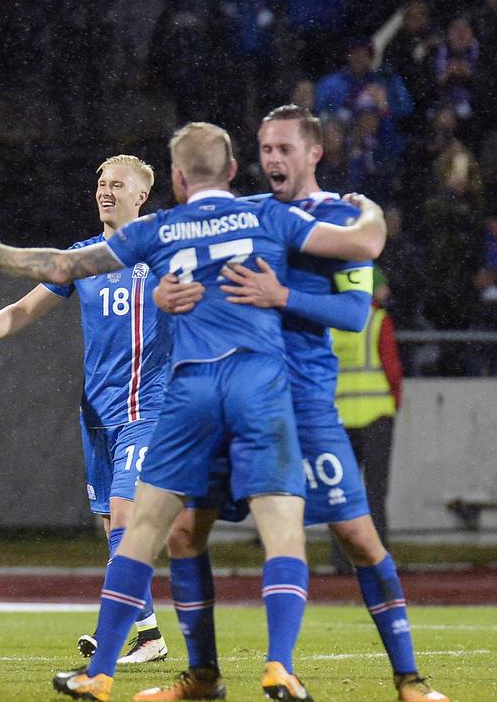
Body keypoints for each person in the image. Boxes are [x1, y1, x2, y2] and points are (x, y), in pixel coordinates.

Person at [0, 121, 387, 702]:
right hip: (256, 387)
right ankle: (280, 665)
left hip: (184, 398)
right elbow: (362, 248)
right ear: (236, 172)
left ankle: (115, 671)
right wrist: (371, 213)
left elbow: (60, 267)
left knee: (149, 531)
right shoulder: (264, 214)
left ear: (177, 179)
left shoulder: (162, 230)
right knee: (282, 531)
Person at [148, 106, 446, 702]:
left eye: (285, 148)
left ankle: (409, 679)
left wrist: (281, 294)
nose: (273, 159)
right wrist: (164, 294)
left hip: (304, 405)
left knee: (358, 538)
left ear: (314, 153)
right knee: (184, 533)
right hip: (238, 400)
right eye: (264, 148)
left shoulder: (336, 217)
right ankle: (204, 676)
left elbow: (356, 313)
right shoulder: (252, 216)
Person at [0, 154, 171, 665]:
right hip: (98, 413)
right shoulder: (82, 258)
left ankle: (107, 636)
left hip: (147, 408)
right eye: (100, 183)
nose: (105, 191)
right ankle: (151, 636)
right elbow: (26, 308)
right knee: (116, 530)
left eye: (118, 185)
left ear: (141, 196)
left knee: (125, 515)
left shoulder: (163, 251)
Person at [333, 267, 403, 548]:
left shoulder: (331, 323)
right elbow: (392, 369)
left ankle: (341, 557)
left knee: (341, 493)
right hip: (376, 417)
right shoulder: (378, 320)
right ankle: (376, 552)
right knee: (375, 490)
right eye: (381, 285)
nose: (386, 291)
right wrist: (394, 403)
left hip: (338, 419)